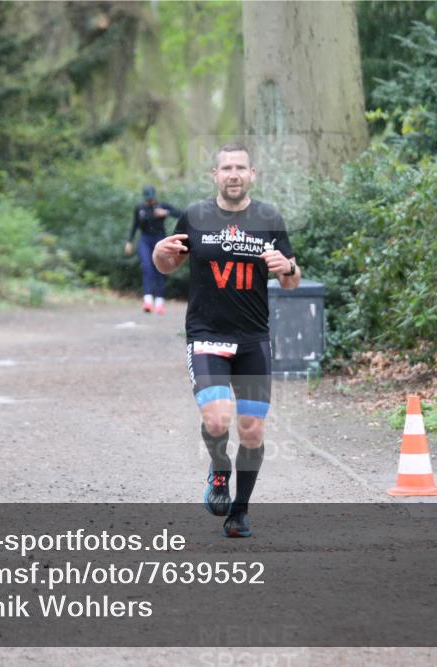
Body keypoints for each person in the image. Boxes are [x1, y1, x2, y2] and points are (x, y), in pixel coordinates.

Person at [152, 143, 300, 537]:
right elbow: (168, 264)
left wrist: (287, 266)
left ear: (253, 174)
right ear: (214, 176)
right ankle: (219, 468)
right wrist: (157, 252)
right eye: (226, 168)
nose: (233, 174)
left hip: (253, 339)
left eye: (240, 168)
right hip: (207, 335)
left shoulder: (269, 217)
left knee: (252, 430)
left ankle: (240, 511)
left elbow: (291, 279)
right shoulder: (196, 216)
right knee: (217, 419)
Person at [125, 185, 181, 314]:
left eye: (151, 198)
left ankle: (159, 301)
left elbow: (181, 214)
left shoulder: (162, 206)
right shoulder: (140, 208)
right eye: (147, 198)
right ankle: (148, 300)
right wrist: (129, 241)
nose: (149, 200)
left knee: (159, 269)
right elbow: (135, 225)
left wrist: (166, 213)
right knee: (147, 267)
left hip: (159, 240)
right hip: (145, 240)